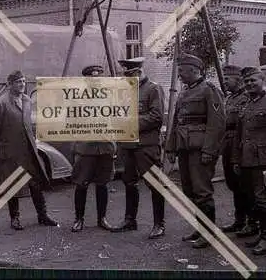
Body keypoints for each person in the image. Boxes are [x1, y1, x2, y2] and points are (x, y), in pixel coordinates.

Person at [165, 53, 226, 249]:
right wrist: (171, 148)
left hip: (200, 150)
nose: (180, 74)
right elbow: (176, 122)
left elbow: (217, 124)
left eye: (182, 70)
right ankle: (200, 229)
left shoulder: (209, 90)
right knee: (190, 191)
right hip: (184, 148)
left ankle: (208, 234)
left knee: (202, 191)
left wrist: (210, 150)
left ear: (194, 70)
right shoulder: (184, 92)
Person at [0, 70, 58, 231]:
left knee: (36, 183)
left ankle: (42, 215)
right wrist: (5, 143)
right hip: (11, 153)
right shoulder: (1, 103)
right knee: (12, 185)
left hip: (29, 151)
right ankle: (15, 219)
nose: (22, 85)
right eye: (18, 82)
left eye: (24, 81)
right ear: (9, 84)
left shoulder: (26, 100)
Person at [231, 66, 266, 255]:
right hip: (247, 160)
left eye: (253, 80)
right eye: (246, 81)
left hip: (265, 161)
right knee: (253, 199)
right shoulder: (245, 104)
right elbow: (239, 136)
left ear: (262, 81)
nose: (249, 84)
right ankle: (262, 233)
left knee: (265, 201)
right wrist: (236, 160)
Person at [110, 57, 167, 239]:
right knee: (129, 182)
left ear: (140, 72)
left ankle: (159, 224)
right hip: (127, 145)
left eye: (132, 73)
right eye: (126, 74)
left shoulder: (153, 89)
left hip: (146, 145)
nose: (129, 77)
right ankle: (130, 220)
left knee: (154, 184)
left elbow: (157, 116)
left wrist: (131, 123)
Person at [71, 65, 116, 232]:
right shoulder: (77, 98)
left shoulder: (110, 97)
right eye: (92, 79)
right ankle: (79, 219)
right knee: (81, 183)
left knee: (102, 184)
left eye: (98, 79)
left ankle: (102, 219)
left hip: (105, 147)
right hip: (86, 147)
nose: (95, 81)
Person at [220, 64, 256, 234]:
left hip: (241, 143)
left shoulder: (246, 97)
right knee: (233, 183)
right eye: (224, 78)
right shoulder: (229, 98)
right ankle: (239, 220)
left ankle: (252, 222)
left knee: (245, 184)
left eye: (228, 78)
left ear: (238, 80)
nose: (225, 82)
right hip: (228, 143)